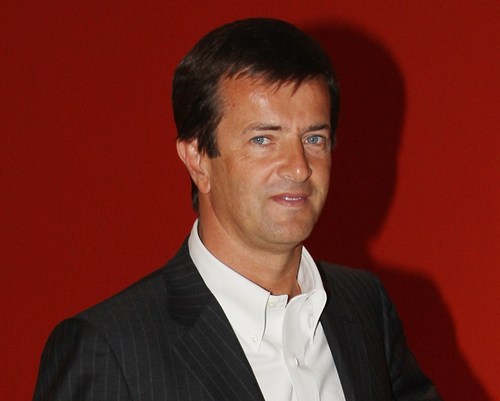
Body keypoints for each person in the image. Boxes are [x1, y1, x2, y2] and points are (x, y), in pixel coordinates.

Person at [33, 18, 441, 401]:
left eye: (314, 139)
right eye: (263, 139)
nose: (299, 167)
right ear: (197, 159)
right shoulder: (110, 349)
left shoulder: (363, 306)